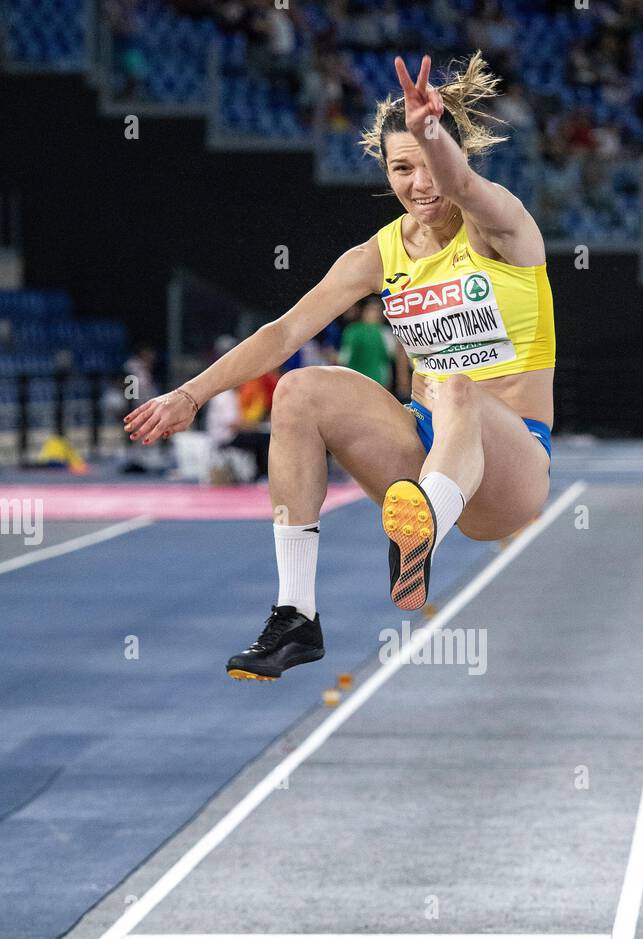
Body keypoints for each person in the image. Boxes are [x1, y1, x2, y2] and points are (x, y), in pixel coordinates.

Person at [123, 51, 555, 680]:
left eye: (430, 163)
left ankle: (422, 526)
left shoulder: (502, 227)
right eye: (402, 168)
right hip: (425, 452)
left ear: (455, 161)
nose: (421, 183)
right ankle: (296, 615)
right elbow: (283, 332)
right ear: (385, 172)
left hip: (511, 468)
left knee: (453, 384)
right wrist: (188, 396)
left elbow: (460, 186)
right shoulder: (377, 255)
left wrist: (432, 134)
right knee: (299, 389)